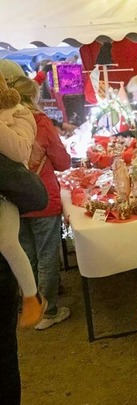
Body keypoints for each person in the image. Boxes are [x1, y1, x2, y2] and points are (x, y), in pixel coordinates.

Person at [10, 76, 72, 330]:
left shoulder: (5, 123)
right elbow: (63, 162)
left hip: (14, 198)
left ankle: (32, 306)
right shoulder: (39, 123)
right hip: (42, 196)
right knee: (47, 255)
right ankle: (49, 312)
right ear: (32, 96)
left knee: (26, 255)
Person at [0, 71, 48, 328]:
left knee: (8, 243)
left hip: (7, 189)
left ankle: (32, 296)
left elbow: (19, 152)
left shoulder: (20, 114)